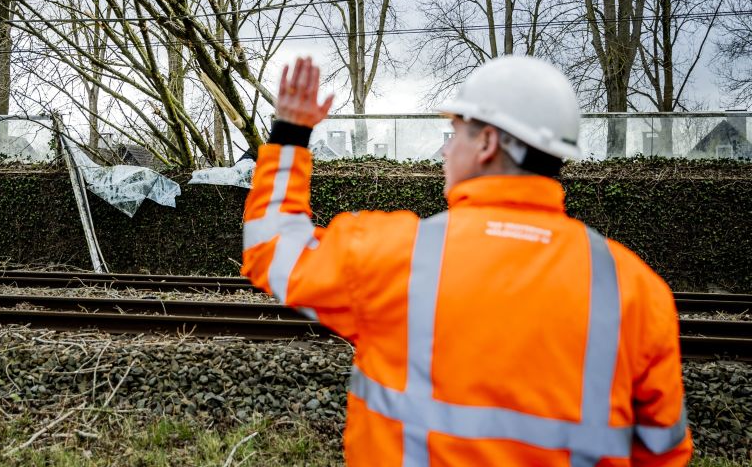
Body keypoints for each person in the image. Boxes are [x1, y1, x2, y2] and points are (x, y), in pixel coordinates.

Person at [241, 55, 691, 466]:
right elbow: (663, 451)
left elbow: (273, 248)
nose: (444, 151)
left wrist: (290, 133)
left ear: (487, 143)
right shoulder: (634, 288)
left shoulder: (396, 256)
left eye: (454, 132)